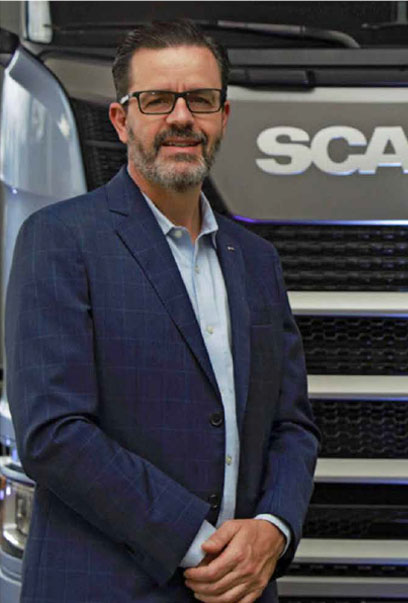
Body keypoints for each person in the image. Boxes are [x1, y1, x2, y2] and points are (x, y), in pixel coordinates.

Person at [4, 19, 319, 603]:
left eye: (200, 99)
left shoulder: (257, 261)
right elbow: (53, 434)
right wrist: (200, 546)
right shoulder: (59, 240)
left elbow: (292, 426)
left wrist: (272, 530)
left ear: (223, 116)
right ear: (121, 119)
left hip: (244, 590)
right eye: (156, 100)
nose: (181, 118)